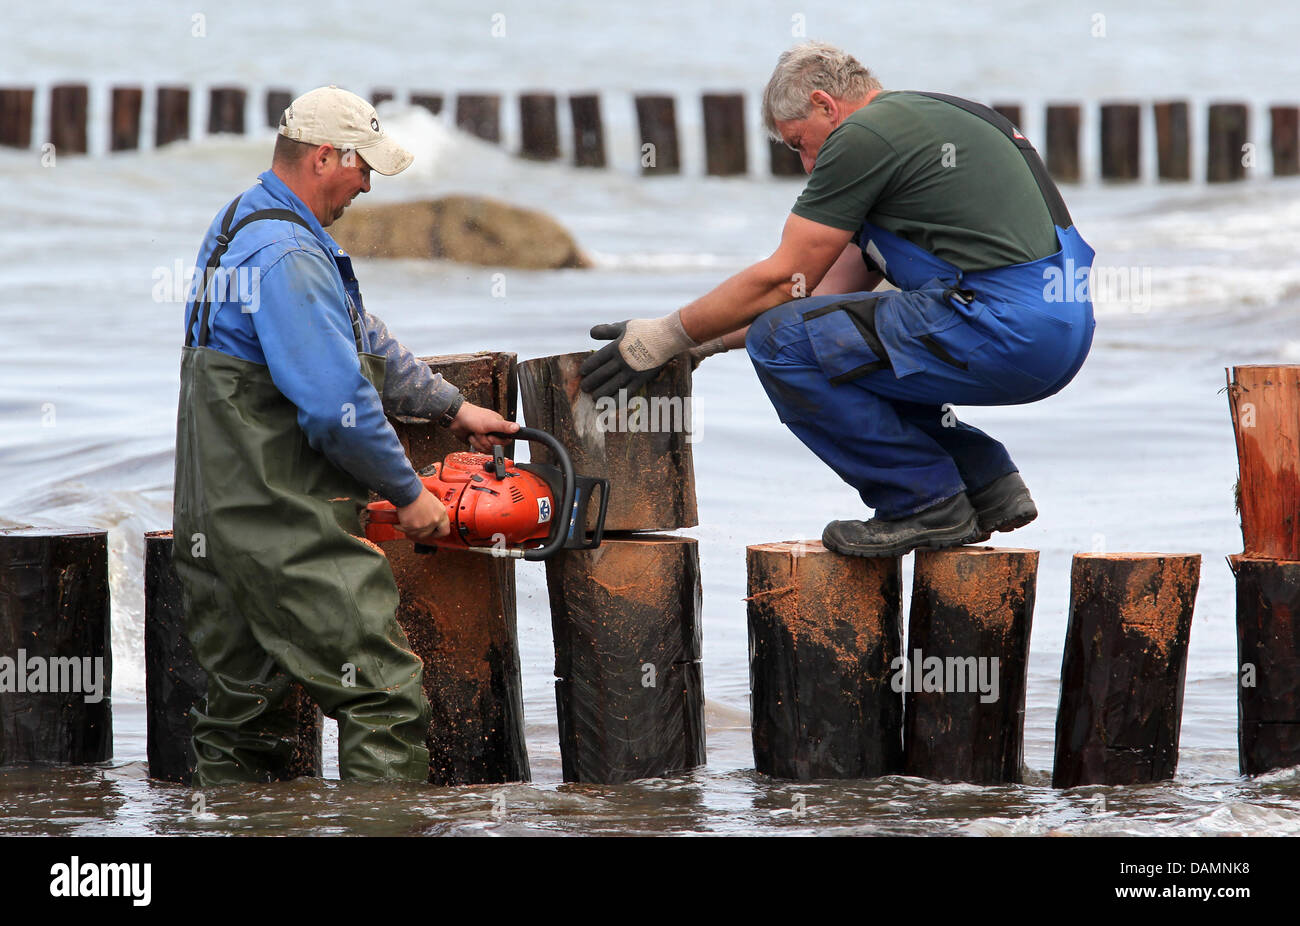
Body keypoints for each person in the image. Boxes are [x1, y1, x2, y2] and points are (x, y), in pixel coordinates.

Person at [580, 42, 1095, 557]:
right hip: (1058, 331)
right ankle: (984, 481)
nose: (807, 165)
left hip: (1003, 325)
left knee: (778, 341)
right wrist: (702, 343)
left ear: (826, 106)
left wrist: (666, 334)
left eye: (799, 143)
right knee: (826, 345)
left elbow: (783, 282)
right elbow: (817, 301)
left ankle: (922, 501)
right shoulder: (928, 124)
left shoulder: (864, 134)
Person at [172, 85, 517, 786]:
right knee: (383, 696)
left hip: (214, 520)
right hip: (282, 526)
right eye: (362, 167)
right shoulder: (290, 256)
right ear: (325, 156)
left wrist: (451, 406)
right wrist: (407, 493)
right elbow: (336, 409)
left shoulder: (244, 221)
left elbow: (357, 337)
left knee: (244, 713)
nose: (366, 184)